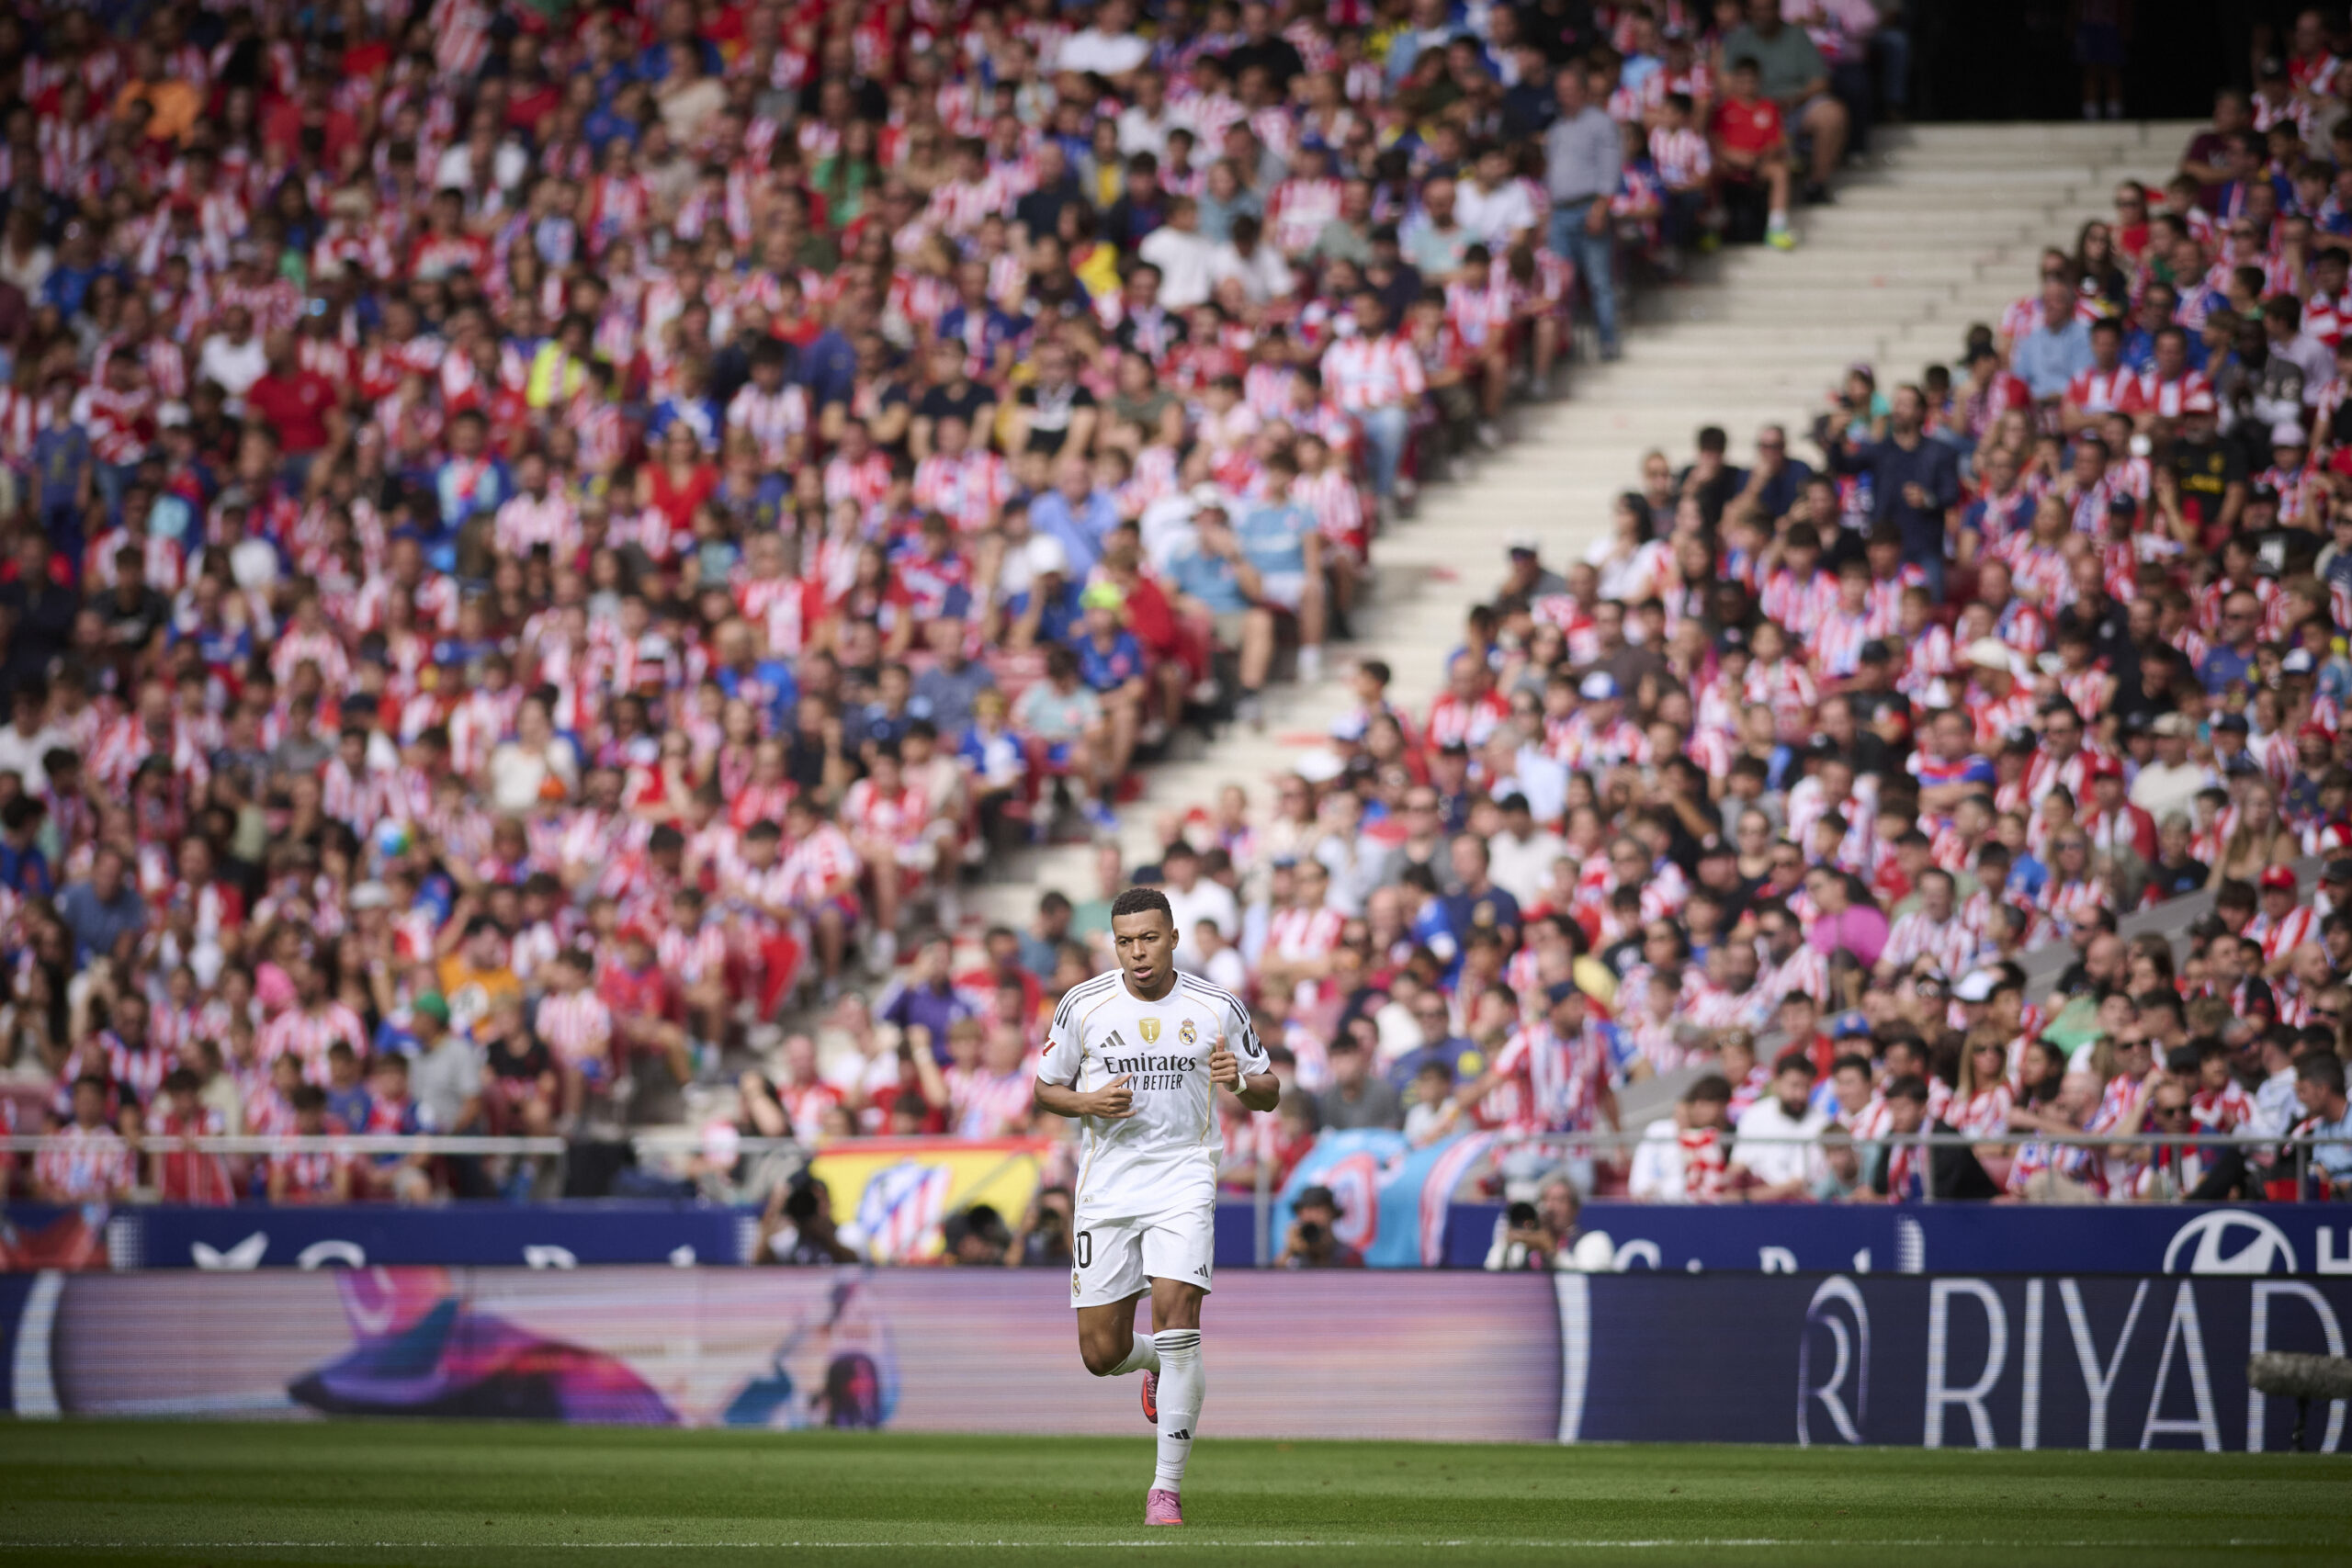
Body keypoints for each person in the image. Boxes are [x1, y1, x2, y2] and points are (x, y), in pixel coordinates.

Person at [1035, 886, 1278, 1527]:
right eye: (1124, 940)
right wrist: (1088, 1103)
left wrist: (1240, 1084)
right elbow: (1046, 1086)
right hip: (1109, 1187)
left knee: (1180, 1319)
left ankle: (1164, 1490)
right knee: (1100, 1353)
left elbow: (1269, 1088)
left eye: (1148, 937)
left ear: (1172, 936)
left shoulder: (1215, 1004)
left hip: (1184, 1178)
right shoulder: (1083, 1004)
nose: (1137, 952)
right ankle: (1150, 1363)